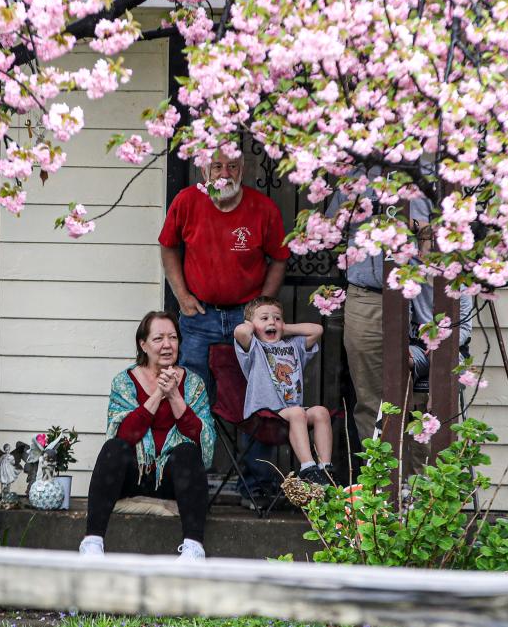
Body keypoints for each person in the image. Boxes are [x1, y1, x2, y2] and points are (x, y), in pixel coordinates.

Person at [158, 150, 290, 505]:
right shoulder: (187, 201)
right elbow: (168, 248)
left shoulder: (262, 208)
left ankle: (257, 484)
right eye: (217, 166)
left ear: (242, 168)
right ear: (204, 169)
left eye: (232, 165)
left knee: (256, 399)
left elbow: (280, 257)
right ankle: (189, 481)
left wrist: (261, 307)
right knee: (191, 398)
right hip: (198, 319)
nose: (225, 173)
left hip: (245, 323)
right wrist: (182, 295)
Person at [328, 171, 473, 449]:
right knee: (371, 397)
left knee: (422, 399)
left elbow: (455, 243)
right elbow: (333, 229)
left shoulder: (436, 172)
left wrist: (420, 230)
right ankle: (380, 480)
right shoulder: (357, 176)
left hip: (424, 297)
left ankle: (418, 484)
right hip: (368, 295)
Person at [79, 311, 215, 561]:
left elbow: (200, 437)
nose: (167, 345)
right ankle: (92, 544)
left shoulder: (193, 383)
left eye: (173, 337)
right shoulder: (125, 381)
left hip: (175, 481)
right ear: (143, 344)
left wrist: (174, 395)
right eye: (159, 338)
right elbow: (125, 433)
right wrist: (158, 394)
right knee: (114, 448)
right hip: (135, 476)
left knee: (187, 451)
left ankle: (194, 549)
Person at [233, 296, 331, 486]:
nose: (272, 322)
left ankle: (325, 469)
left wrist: (284, 328)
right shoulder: (254, 347)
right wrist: (252, 325)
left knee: (321, 412)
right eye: (265, 318)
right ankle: (307, 468)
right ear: (252, 324)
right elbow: (240, 331)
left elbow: (317, 330)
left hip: (292, 412)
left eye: (277, 318)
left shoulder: (294, 345)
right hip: (263, 413)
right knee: (297, 413)